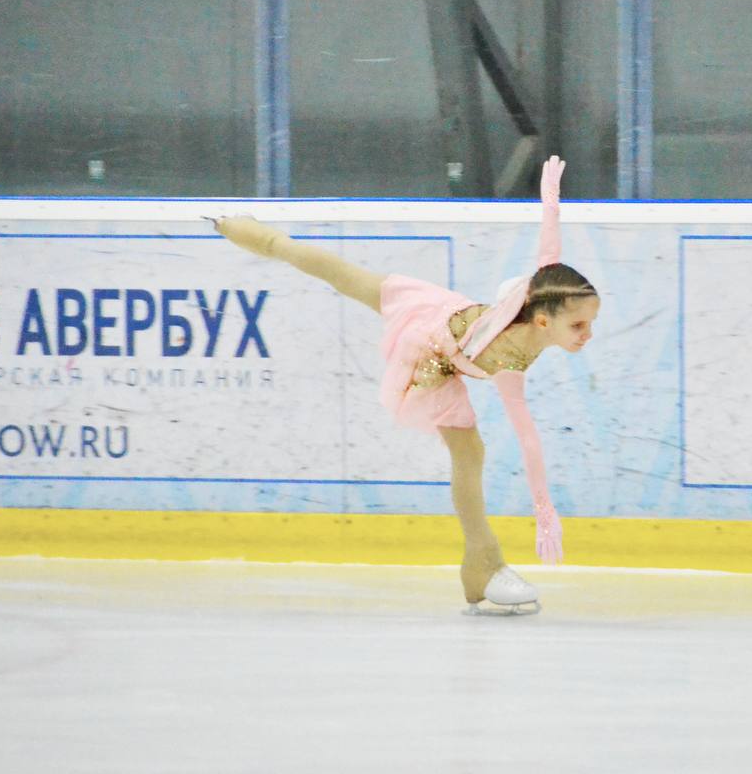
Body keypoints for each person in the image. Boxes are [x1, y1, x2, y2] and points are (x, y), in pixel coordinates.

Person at [212, 156, 599, 614]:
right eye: (578, 326)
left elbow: (549, 250)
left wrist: (551, 195)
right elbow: (529, 437)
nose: (587, 335)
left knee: (342, 276)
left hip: (440, 315)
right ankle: (483, 564)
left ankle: (482, 562)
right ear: (543, 321)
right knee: (469, 451)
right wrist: (544, 509)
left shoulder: (534, 317)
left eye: (589, 324)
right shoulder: (517, 333)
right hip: (430, 351)